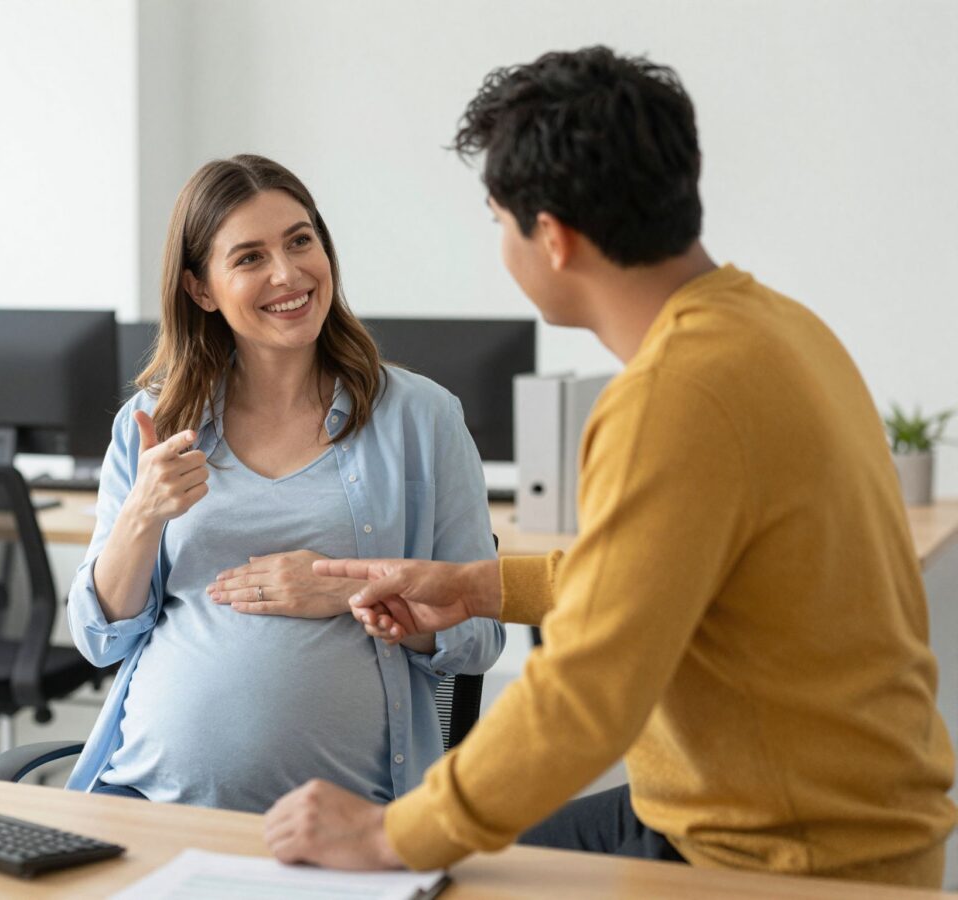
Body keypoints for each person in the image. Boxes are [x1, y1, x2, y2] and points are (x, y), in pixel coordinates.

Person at [263, 47, 957, 887]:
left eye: (498, 221)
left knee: (403, 875)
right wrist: (474, 586)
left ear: (551, 238)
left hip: (788, 857)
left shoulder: (674, 395)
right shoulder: (780, 329)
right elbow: (661, 576)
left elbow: (587, 695)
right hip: (806, 815)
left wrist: (387, 833)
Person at [64, 154, 505, 814]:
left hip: (353, 821)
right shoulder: (152, 425)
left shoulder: (425, 419)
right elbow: (100, 638)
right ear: (200, 289)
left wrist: (350, 590)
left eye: (301, 240)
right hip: (148, 802)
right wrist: (140, 516)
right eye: (248, 257)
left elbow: (479, 636)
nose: (287, 273)